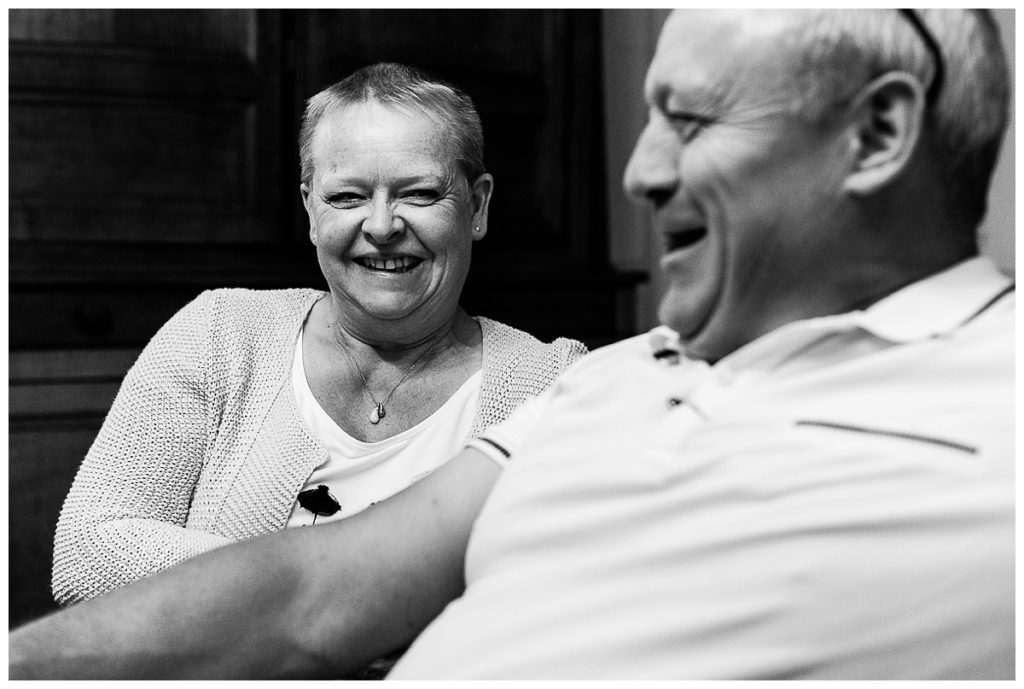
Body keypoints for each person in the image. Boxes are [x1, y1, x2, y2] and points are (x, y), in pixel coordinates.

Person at [11, 9, 1012, 680]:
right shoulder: (618, 375)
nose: (638, 173)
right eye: (348, 193)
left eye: (691, 120)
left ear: (877, 133)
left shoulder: (994, 394)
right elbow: (312, 593)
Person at [49, 62, 587, 605]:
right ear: (309, 207)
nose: (381, 227)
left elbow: (568, 606)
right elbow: (88, 555)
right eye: (347, 197)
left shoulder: (557, 385)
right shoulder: (219, 335)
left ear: (476, 205)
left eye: (419, 193)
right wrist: (352, 596)